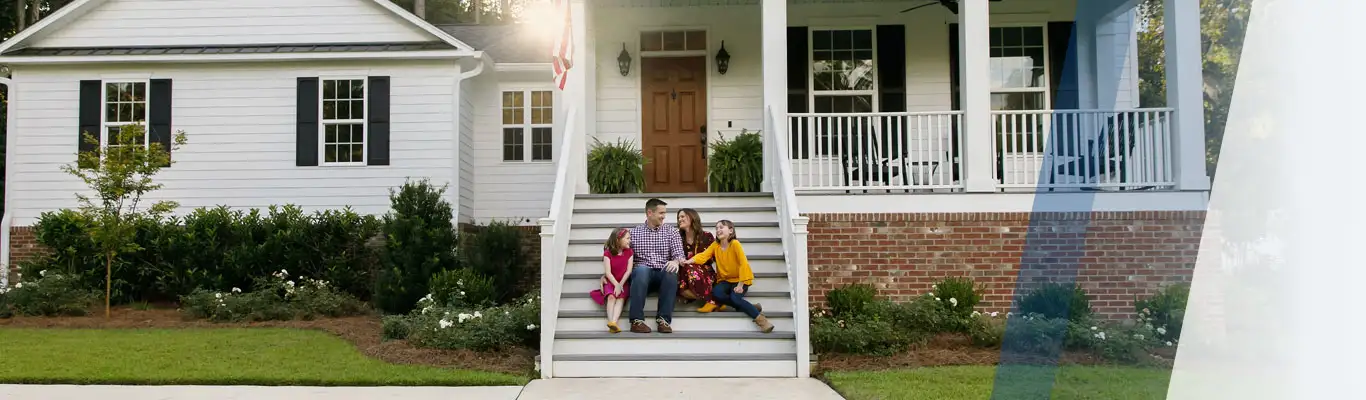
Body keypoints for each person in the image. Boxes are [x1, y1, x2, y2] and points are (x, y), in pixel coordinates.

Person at [683, 219, 774, 333]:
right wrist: (689, 261)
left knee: (735, 298)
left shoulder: (735, 244)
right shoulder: (715, 245)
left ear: (730, 230)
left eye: (721, 227)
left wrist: (741, 284)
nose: (718, 230)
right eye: (716, 228)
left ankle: (761, 321)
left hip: (741, 279)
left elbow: (743, 264)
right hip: (725, 280)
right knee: (716, 293)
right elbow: (703, 256)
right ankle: (749, 306)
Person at [625, 198, 685, 334]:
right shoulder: (634, 233)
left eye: (665, 213)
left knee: (671, 271)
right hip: (642, 276)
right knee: (641, 269)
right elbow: (621, 254)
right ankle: (636, 321)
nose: (664, 216)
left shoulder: (671, 232)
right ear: (650, 213)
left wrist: (675, 261)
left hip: (662, 274)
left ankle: (663, 320)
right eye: (661, 213)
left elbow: (679, 255)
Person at [675, 208, 720, 312]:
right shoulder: (677, 237)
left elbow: (714, 257)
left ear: (692, 217)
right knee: (676, 279)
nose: (679, 219)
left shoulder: (706, 236)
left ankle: (712, 300)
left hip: (704, 272)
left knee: (690, 268)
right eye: (678, 218)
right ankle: (714, 300)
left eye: (682, 216)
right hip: (684, 274)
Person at [589, 227, 633, 333]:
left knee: (621, 298)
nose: (629, 240)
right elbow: (608, 272)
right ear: (618, 239)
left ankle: (614, 322)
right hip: (611, 281)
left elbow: (629, 270)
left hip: (623, 282)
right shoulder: (608, 254)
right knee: (611, 297)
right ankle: (610, 322)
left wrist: (620, 284)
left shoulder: (629, 252)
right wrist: (616, 284)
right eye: (627, 238)